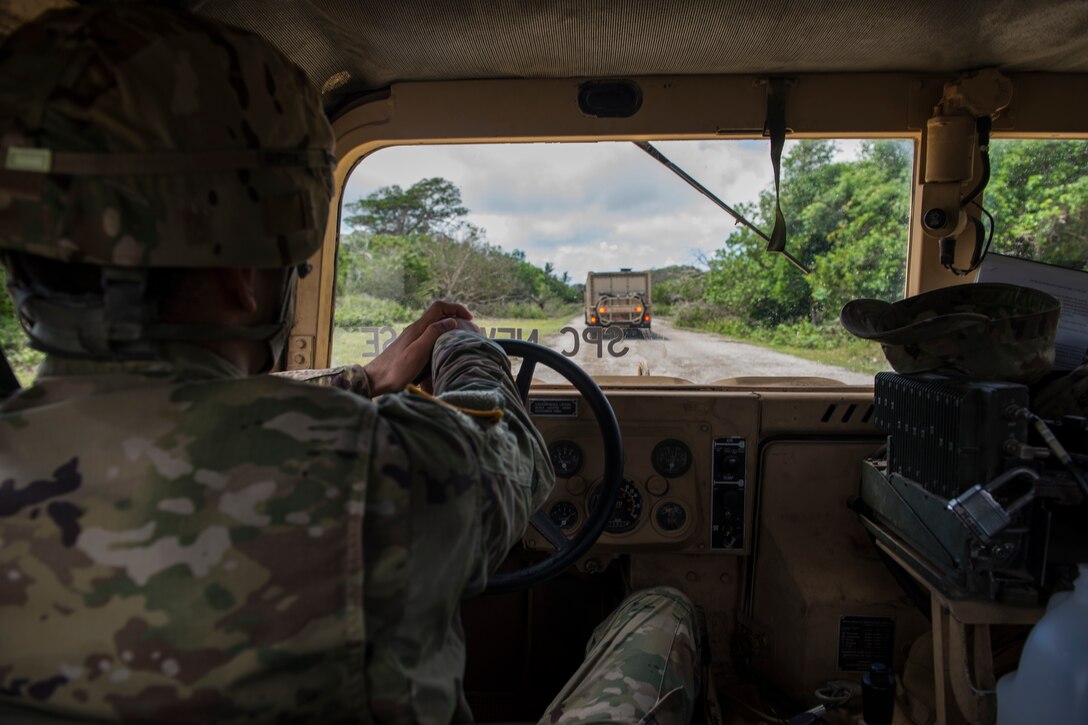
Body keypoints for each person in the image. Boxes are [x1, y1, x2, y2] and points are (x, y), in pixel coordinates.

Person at [0, 5, 699, 723]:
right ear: (245, 274)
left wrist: (363, 380)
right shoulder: (367, 468)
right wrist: (464, 343)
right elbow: (515, 454)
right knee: (661, 610)